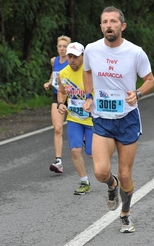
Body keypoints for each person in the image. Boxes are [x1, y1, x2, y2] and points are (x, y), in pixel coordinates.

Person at [83, 6, 154, 233]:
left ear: (122, 26)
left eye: (113, 21)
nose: (108, 25)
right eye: (105, 22)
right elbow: (86, 72)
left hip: (127, 118)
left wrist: (138, 93)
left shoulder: (135, 52)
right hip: (102, 118)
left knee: (126, 174)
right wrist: (88, 95)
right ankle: (111, 185)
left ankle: (125, 214)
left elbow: (150, 79)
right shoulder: (91, 50)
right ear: (101, 26)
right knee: (100, 172)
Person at [56, 42, 93, 195]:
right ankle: (84, 181)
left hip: (93, 119)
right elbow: (62, 91)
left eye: (75, 57)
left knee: (92, 154)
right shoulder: (63, 74)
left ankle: (109, 178)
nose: (72, 60)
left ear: (83, 56)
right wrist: (60, 103)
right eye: (69, 56)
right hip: (74, 118)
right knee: (75, 151)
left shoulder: (91, 72)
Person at [43, 35, 71, 173]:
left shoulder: (73, 60)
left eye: (64, 46)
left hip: (73, 97)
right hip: (57, 95)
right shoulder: (54, 61)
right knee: (58, 128)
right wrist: (49, 83)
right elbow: (54, 75)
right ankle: (58, 161)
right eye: (59, 46)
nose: (62, 49)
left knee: (81, 126)